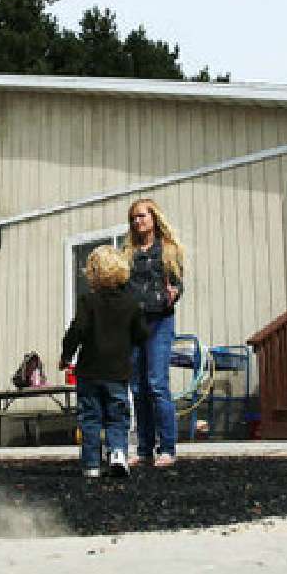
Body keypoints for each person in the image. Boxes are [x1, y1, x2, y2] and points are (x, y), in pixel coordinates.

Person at [59, 246, 148, 477]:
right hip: (118, 372)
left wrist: (66, 355)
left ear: (93, 273)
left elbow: (76, 330)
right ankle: (118, 453)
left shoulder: (88, 301)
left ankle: (91, 465)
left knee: (90, 418)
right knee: (117, 416)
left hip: (89, 371)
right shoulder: (131, 303)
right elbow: (142, 334)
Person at [123, 198, 185, 468]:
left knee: (157, 384)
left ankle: (167, 448)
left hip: (160, 321)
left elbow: (178, 284)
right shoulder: (127, 253)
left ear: (153, 217)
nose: (138, 222)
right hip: (134, 324)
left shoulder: (169, 250)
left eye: (142, 216)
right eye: (134, 218)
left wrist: (174, 293)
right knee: (137, 387)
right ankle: (145, 448)